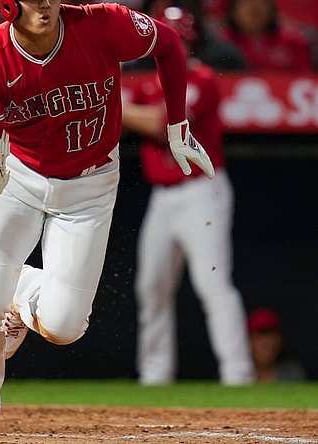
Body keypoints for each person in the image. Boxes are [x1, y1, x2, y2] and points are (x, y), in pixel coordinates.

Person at [0, 1, 215, 442]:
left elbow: (168, 46)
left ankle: (18, 294)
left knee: (65, 326)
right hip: (20, 178)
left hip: (91, 187)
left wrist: (176, 126)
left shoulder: (103, 22)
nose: (45, 3)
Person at [122, 6, 254, 387]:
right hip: (163, 197)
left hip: (202, 192)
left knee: (212, 284)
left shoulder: (201, 78)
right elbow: (113, 123)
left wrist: (116, 103)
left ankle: (237, 375)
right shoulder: (145, 83)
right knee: (151, 286)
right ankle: (154, 375)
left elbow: (163, 125)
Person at [215, 0, 313, 71]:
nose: (253, 9)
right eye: (245, 3)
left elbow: (304, 79)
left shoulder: (293, 41)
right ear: (233, 10)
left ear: (272, 8)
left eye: (261, 2)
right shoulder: (222, 42)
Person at [247, 308, 306, 383]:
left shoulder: (292, 373)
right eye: (259, 337)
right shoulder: (236, 373)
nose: (265, 344)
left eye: (270, 337)